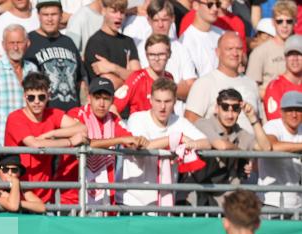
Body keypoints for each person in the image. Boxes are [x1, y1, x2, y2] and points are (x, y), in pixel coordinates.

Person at [120, 77, 211, 208]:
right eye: (158, 101)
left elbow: (206, 143)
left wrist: (192, 144)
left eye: (167, 101)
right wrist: (175, 139)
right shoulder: (137, 118)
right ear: (150, 100)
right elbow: (143, 146)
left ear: (175, 101)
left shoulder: (179, 121)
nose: (162, 107)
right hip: (132, 200)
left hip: (164, 202)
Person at [57, 77, 148, 206]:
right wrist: (121, 139)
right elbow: (84, 142)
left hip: (105, 196)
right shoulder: (75, 114)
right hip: (73, 194)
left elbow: (130, 141)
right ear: (89, 98)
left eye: (106, 98)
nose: (101, 103)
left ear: (112, 101)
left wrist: (139, 141)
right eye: (97, 97)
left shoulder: (114, 120)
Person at [4, 71, 87, 204]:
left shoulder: (52, 114)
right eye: (31, 97)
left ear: (48, 96)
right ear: (25, 97)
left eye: (41, 97)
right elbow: (34, 144)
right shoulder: (15, 118)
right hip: (18, 194)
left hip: (45, 194)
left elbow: (83, 128)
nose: (36, 102)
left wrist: (52, 134)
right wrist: (70, 141)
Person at [182, 88, 272, 206]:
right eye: (225, 107)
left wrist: (253, 119)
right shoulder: (203, 124)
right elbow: (222, 146)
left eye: (235, 109)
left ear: (240, 111)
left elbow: (266, 148)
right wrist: (242, 155)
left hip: (225, 202)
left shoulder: (240, 133)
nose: (230, 115)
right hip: (195, 197)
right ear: (216, 108)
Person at [185, 32, 262, 132]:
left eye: (238, 49)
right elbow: (191, 121)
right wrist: (217, 141)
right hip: (221, 146)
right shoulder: (204, 83)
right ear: (217, 52)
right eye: (229, 49)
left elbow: (260, 122)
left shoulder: (252, 84)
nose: (235, 53)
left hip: (253, 146)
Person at [24, 0, 87, 111]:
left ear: (61, 16)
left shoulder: (68, 42)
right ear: (38, 16)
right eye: (45, 15)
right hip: (46, 115)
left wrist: (84, 110)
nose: (49, 19)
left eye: (54, 14)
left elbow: (81, 81)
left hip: (73, 113)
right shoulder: (29, 41)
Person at [83, 0, 140, 90]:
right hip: (105, 101)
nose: (119, 16)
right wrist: (128, 75)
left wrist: (113, 68)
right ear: (103, 11)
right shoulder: (96, 42)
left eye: (122, 12)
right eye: (114, 11)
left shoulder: (128, 41)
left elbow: (139, 79)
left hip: (129, 103)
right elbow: (110, 83)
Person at [113, 34, 174, 118]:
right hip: (139, 129)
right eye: (152, 55)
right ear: (146, 55)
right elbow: (113, 108)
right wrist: (123, 129)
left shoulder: (169, 78)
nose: (156, 59)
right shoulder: (136, 78)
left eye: (161, 54)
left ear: (169, 54)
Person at [260, 90, 302, 209]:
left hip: (298, 202)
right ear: (281, 112)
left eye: (298, 110)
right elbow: (271, 146)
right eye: (289, 110)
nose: (294, 114)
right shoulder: (272, 126)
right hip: (271, 202)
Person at [247, 0, 298, 92]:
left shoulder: (300, 48)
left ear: (295, 22)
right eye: (280, 21)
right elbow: (250, 89)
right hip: (270, 103)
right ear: (273, 22)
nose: (284, 25)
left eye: (289, 21)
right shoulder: (260, 52)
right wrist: (272, 94)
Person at [179, 0, 224, 77]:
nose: (215, 8)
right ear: (196, 5)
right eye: (210, 4)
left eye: (218, 4)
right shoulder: (186, 40)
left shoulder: (222, 34)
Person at [263, 34, 302, 120]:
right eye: (291, 54)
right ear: (285, 57)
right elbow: (276, 123)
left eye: (299, 54)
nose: (295, 58)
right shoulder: (275, 86)